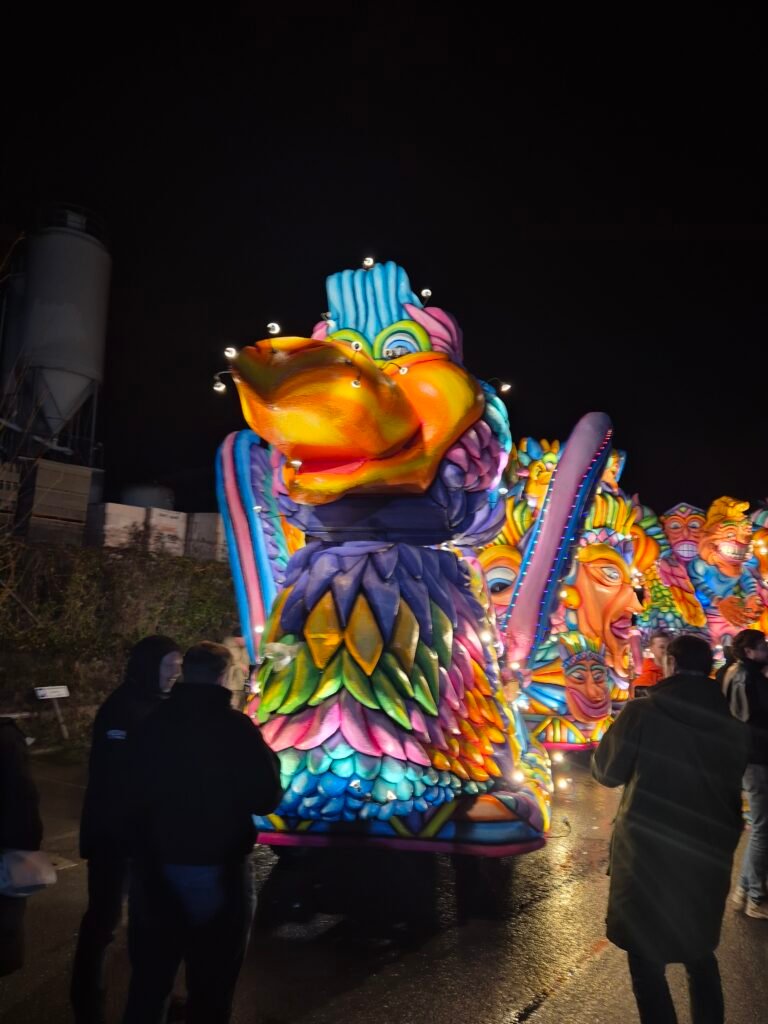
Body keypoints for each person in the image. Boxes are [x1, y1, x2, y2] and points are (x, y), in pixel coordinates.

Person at [121, 641, 282, 1024]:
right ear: (225, 675)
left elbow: (126, 793)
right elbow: (266, 797)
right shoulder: (236, 729)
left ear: (184, 672)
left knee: (150, 982)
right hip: (220, 868)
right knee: (212, 986)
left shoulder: (152, 724)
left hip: (157, 867)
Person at [592, 633, 747, 1024]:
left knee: (646, 959)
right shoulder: (731, 722)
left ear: (671, 663)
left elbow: (607, 772)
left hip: (646, 851)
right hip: (707, 851)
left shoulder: (642, 712)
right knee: (699, 952)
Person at [71, 634, 182, 1024]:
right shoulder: (122, 708)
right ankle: (87, 1003)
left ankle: (151, 1001)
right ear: (149, 666)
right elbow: (115, 778)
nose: (175, 673)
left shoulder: (162, 705)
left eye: (179, 666)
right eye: (169, 666)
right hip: (113, 837)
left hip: (147, 837)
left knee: (147, 922)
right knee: (103, 922)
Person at [719, 628, 768, 917]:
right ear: (749, 651)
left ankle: (744, 888)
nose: (767, 649)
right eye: (763, 646)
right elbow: (753, 720)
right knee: (762, 828)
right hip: (756, 760)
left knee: (762, 827)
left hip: (747, 759)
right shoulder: (748, 678)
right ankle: (754, 898)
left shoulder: (733, 672)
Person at [0, 716, 43, 977]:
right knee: (7, 921)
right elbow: (23, 796)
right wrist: (30, 846)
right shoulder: (7, 739)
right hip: (7, 848)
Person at [631, 629, 669, 695]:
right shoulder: (643, 682)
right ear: (652, 649)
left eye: (669, 647)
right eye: (662, 647)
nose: (666, 650)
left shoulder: (676, 674)